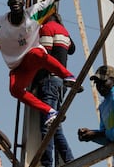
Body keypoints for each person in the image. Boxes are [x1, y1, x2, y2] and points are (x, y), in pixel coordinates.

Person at [33, 12, 75, 167]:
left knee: (47, 125)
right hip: (61, 84)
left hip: (49, 81)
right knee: (55, 127)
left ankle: (47, 163)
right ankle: (69, 159)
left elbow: (44, 58)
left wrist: (37, 83)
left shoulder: (46, 29)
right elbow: (72, 49)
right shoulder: (63, 32)